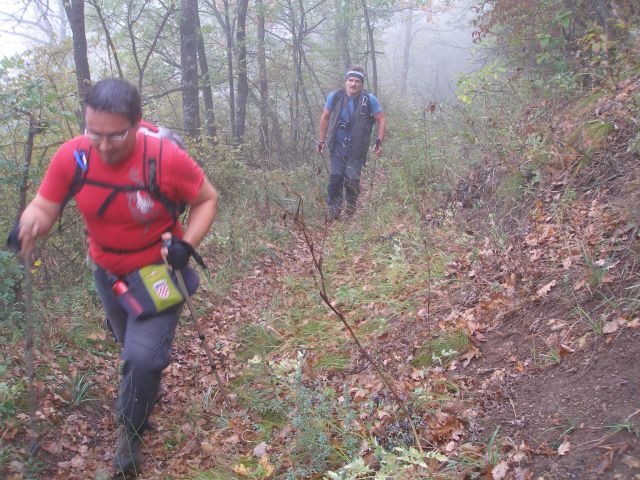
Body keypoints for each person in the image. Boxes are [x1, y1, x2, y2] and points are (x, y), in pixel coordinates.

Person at [13, 78, 218, 476]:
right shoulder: (74, 157)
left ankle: (130, 438)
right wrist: (28, 226)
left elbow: (207, 197)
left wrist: (186, 244)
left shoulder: (163, 158)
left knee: (142, 358)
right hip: (106, 271)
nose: (103, 145)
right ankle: (141, 393)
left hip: (158, 269)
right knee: (130, 348)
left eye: (115, 136)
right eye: (95, 133)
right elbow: (45, 203)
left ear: (137, 123)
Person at [317, 66, 386, 219]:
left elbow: (381, 119)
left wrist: (379, 141)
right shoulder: (334, 97)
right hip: (337, 146)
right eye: (350, 80)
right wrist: (321, 141)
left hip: (357, 148)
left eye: (357, 81)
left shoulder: (369, 99)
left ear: (361, 84)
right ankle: (334, 213)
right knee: (335, 179)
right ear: (345, 82)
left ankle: (350, 210)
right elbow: (325, 117)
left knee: (351, 181)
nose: (353, 84)